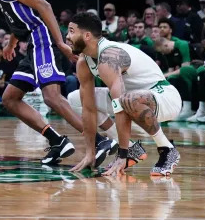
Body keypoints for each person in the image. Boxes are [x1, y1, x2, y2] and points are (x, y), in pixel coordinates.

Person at [0, 0, 114, 166]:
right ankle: (57, 141)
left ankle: (99, 140)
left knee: (52, 97)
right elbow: (22, 16)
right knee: (10, 99)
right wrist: (12, 42)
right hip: (31, 43)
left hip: (41, 39)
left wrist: (60, 42)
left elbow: (44, 7)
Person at [66, 12, 183, 176]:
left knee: (125, 100)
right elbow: (88, 108)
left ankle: (167, 149)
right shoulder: (84, 61)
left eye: (71, 31)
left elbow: (119, 106)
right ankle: (132, 149)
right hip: (132, 99)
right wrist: (90, 152)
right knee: (76, 99)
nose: (67, 36)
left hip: (165, 97)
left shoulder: (109, 56)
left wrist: (121, 154)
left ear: (86, 36)